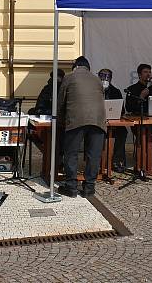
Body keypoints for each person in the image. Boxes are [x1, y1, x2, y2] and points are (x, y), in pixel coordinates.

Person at [57, 56, 106, 198]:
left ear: (76, 67)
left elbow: (61, 102)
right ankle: (89, 187)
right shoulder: (97, 79)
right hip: (98, 121)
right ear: (88, 68)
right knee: (93, 155)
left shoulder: (69, 77)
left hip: (76, 120)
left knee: (71, 153)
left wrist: (60, 122)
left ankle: (71, 186)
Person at [99, 68, 127, 171]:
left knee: (123, 131)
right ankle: (98, 162)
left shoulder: (116, 91)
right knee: (97, 133)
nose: (104, 78)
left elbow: (122, 110)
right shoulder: (94, 90)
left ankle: (116, 160)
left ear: (111, 79)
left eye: (107, 76)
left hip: (113, 123)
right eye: (102, 75)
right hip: (98, 122)